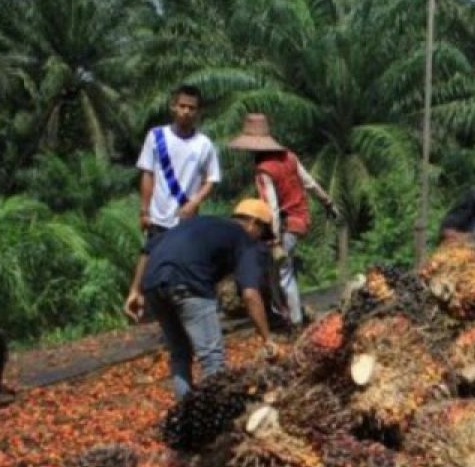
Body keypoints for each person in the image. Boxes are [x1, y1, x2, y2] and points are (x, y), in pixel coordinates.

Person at [123, 200, 277, 399]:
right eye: (263, 234)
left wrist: (135, 290)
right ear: (254, 223)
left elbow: (148, 249)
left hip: (153, 283)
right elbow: (250, 294)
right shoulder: (244, 239)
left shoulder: (201, 222)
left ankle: (185, 415)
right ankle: (218, 419)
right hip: (189, 283)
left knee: (180, 353)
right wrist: (267, 339)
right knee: (212, 358)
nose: (261, 241)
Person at [228, 113, 340, 327]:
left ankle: (293, 322)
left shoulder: (263, 170)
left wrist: (274, 238)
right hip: (301, 220)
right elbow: (309, 183)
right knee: (279, 273)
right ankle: (286, 315)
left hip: (285, 225)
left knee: (282, 275)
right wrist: (328, 202)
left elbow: (272, 207)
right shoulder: (289, 156)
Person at [136, 85, 221, 239]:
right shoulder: (156, 136)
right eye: (182, 106)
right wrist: (144, 211)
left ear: (198, 112)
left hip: (186, 221)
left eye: (191, 108)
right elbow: (147, 174)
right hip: (157, 220)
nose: (186, 111)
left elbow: (212, 179)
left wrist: (194, 203)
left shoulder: (204, 144)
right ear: (173, 107)